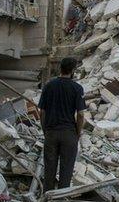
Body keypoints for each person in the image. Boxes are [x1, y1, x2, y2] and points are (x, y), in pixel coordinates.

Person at [37, 57, 86, 192]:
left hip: (51, 133)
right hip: (69, 134)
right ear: (73, 71)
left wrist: (45, 130)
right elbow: (81, 114)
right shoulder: (77, 88)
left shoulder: (49, 86)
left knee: (49, 172)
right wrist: (78, 132)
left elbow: (42, 112)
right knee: (66, 172)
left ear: (61, 68)